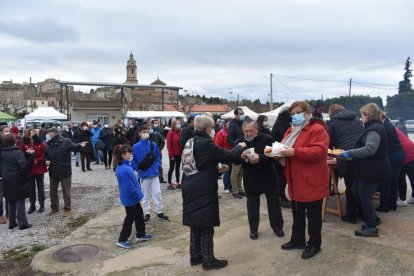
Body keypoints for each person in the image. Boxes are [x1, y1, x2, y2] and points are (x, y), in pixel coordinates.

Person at [182, 115, 246, 270]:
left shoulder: (190, 141)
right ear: (206, 128)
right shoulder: (206, 142)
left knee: (195, 224)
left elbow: (198, 164)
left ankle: (195, 256)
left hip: (190, 185)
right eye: (211, 127)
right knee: (206, 224)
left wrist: (216, 170)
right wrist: (240, 146)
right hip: (203, 188)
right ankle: (208, 260)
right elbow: (228, 155)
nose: (212, 130)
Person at [279, 101, 329, 259]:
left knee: (314, 216)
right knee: (297, 213)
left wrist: (294, 152)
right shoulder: (290, 130)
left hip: (311, 180)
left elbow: (319, 152)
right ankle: (298, 240)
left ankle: (314, 244)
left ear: (307, 112)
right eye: (292, 114)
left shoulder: (317, 129)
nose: (295, 116)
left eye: (298, 112)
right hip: (295, 180)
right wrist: (276, 153)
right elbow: (283, 148)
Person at [340, 103, 391, 237]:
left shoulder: (374, 129)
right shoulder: (373, 127)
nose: (360, 118)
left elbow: (370, 149)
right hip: (369, 169)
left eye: (362, 115)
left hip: (374, 169)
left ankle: (371, 227)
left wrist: (349, 153)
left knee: (364, 197)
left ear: (368, 116)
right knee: (355, 191)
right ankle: (373, 218)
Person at [237, 118, 284, 240]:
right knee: (252, 206)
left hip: (268, 176)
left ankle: (277, 227)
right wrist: (240, 156)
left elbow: (273, 156)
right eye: (246, 131)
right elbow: (234, 158)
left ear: (257, 130)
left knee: (274, 204)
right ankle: (253, 230)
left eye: (251, 131)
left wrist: (260, 158)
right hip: (250, 178)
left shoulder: (267, 138)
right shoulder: (240, 142)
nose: (248, 133)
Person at [327, 104, 363, 223]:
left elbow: (328, 142)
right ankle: (362, 213)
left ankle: (351, 215)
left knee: (350, 186)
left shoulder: (333, 122)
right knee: (359, 185)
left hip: (346, 156)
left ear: (331, 112)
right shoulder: (356, 118)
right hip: (361, 154)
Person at [115, 145, 152, 249]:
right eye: (129, 153)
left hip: (132, 198)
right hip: (130, 199)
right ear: (123, 155)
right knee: (130, 218)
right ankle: (122, 239)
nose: (131, 154)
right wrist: (138, 194)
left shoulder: (126, 166)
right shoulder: (124, 169)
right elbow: (129, 188)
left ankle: (141, 234)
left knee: (139, 214)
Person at [132, 123, 170, 224]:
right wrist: (138, 169)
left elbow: (158, 157)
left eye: (147, 132)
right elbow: (133, 161)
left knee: (157, 193)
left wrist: (156, 166)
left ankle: (160, 212)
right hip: (144, 175)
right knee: (145, 195)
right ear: (139, 133)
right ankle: (146, 213)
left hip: (154, 174)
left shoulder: (153, 145)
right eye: (144, 132)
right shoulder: (135, 147)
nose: (146, 134)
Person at [44, 127, 88, 216]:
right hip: (53, 171)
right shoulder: (48, 144)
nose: (48, 135)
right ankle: (54, 208)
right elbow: (46, 155)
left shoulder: (65, 141)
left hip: (65, 171)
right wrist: (46, 160)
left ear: (55, 133)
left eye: (49, 133)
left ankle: (67, 209)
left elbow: (74, 146)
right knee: (52, 191)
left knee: (66, 191)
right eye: (47, 133)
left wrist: (80, 145)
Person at [2, 134, 33, 230]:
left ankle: (12, 223)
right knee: (20, 201)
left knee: (11, 200)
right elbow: (23, 167)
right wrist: (29, 156)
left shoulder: (3, 153)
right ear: (14, 141)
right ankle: (23, 223)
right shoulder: (17, 153)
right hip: (17, 179)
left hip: (6, 179)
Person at [376, 113, 404, 212]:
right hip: (399, 154)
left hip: (392, 155)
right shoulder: (388, 124)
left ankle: (384, 206)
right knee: (393, 180)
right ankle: (393, 203)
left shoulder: (382, 125)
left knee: (385, 180)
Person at [20, 129, 48, 214]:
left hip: (39, 168)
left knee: (41, 188)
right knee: (31, 189)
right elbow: (21, 156)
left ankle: (42, 205)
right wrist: (27, 154)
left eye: (33, 134)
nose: (32, 136)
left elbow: (45, 154)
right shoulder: (24, 144)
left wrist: (38, 160)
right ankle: (32, 206)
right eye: (30, 134)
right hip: (30, 170)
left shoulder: (40, 143)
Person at [271, 107, 291, 208]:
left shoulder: (281, 122)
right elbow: (285, 138)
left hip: (278, 150)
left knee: (281, 177)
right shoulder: (281, 124)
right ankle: (281, 197)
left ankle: (280, 197)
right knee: (281, 177)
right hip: (278, 151)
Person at [227, 107, 247, 199]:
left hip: (244, 149)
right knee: (235, 171)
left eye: (243, 113)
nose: (242, 115)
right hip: (236, 150)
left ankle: (240, 188)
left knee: (241, 171)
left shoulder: (243, 123)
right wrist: (237, 145)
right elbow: (229, 138)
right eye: (240, 113)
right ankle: (235, 190)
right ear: (235, 115)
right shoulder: (233, 124)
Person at [395, 128, 414, 205]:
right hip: (411, 149)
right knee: (412, 176)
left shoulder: (383, 128)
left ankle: (402, 199)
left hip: (403, 152)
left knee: (400, 177)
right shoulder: (394, 128)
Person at [214, 118, 233, 193]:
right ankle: (227, 187)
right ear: (225, 124)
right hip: (224, 154)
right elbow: (217, 144)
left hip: (233, 153)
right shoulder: (221, 132)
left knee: (233, 171)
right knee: (226, 170)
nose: (230, 125)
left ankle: (232, 186)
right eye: (229, 123)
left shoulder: (233, 131)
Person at [166, 120, 182, 189]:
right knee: (171, 168)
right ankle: (169, 183)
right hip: (173, 154)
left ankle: (178, 182)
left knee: (177, 168)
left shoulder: (179, 132)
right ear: (174, 125)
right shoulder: (170, 133)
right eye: (177, 123)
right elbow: (169, 145)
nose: (179, 124)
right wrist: (171, 155)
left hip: (179, 154)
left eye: (179, 123)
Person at [0, 125, 10, 224]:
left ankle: (9, 212)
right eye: (6, 131)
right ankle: (0, 215)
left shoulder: (9, 142)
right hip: (1, 173)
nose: (8, 133)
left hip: (9, 172)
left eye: (9, 131)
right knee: (1, 195)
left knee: (9, 194)